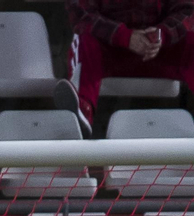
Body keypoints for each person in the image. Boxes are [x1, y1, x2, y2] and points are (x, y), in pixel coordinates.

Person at [60, 0, 194, 136]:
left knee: (192, 40)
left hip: (160, 49)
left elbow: (188, 10)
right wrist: (125, 37)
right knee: (84, 39)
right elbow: (80, 13)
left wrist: (161, 35)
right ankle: (81, 114)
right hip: (110, 49)